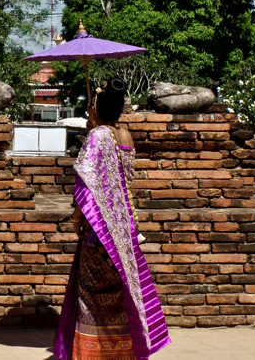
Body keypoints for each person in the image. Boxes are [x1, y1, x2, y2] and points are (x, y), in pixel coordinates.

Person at [54, 78, 171, 360]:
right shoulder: (125, 135)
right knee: (121, 295)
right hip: (125, 228)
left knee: (91, 298)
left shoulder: (98, 137)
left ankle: (91, 354)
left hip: (99, 231)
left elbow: (88, 183)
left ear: (96, 109)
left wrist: (75, 220)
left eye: (92, 106)